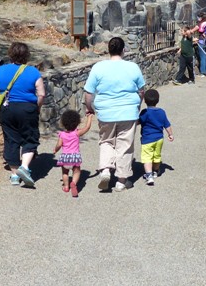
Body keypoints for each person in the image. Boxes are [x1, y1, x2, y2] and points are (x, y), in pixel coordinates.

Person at [84, 36, 145, 192]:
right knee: (125, 144)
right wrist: (137, 106)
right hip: (128, 111)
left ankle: (105, 170)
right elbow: (141, 90)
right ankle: (121, 181)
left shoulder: (98, 67)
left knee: (107, 141)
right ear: (123, 49)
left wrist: (90, 108)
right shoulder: (133, 67)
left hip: (106, 112)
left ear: (108, 50)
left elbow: (89, 93)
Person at [0, 42, 45, 187]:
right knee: (30, 138)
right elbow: (42, 94)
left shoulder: (0, 70)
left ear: (10, 54)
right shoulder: (33, 72)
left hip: (7, 108)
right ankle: (24, 167)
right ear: (27, 55)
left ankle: (14, 175)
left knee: (11, 139)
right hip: (27, 109)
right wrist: (36, 108)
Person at [53, 110, 93, 197]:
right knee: (77, 172)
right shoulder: (77, 133)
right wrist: (89, 118)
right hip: (75, 157)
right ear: (77, 122)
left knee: (65, 173)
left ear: (63, 123)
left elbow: (59, 144)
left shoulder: (62, 134)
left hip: (65, 157)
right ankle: (73, 183)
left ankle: (66, 187)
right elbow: (87, 127)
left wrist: (55, 150)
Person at [139, 89, 173, 186]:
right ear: (158, 100)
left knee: (147, 157)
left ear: (145, 101)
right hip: (159, 138)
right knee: (157, 155)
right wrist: (170, 134)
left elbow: (138, 122)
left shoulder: (145, 112)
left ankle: (149, 175)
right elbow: (167, 125)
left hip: (147, 139)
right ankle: (156, 171)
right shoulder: (162, 112)